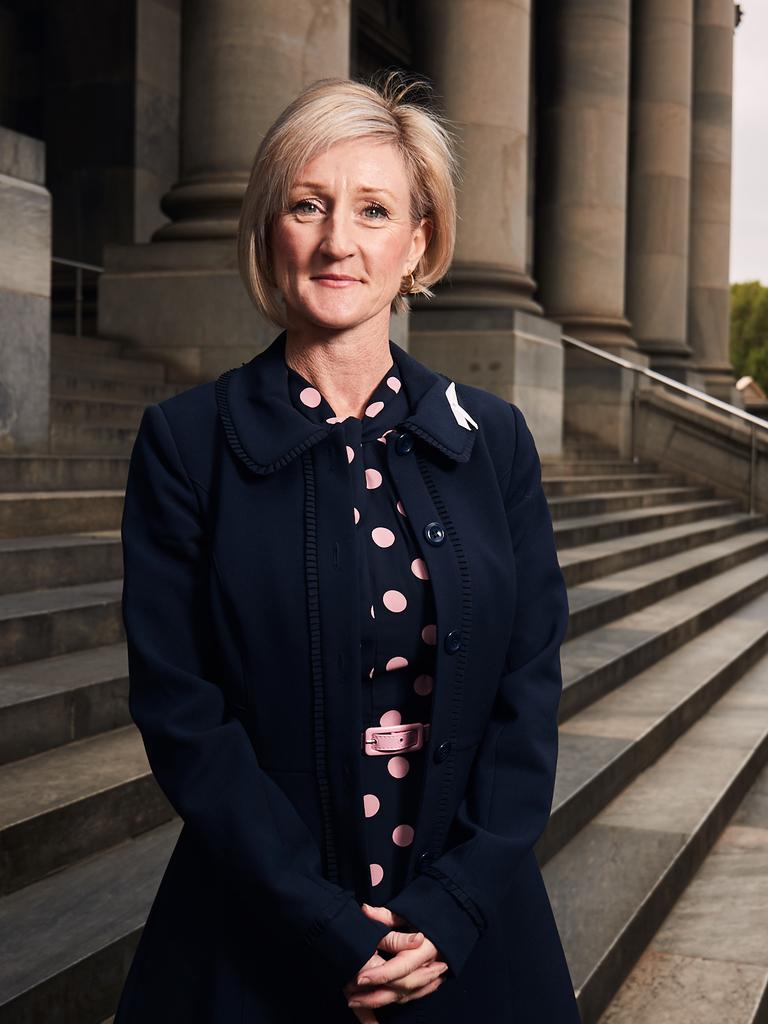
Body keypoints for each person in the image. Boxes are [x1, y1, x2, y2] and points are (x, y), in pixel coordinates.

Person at [114, 71, 581, 1023]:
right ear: (267, 230)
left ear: (418, 244)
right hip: (254, 933)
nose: (338, 241)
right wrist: (329, 927)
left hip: (471, 938)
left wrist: (451, 910)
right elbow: (183, 713)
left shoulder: (494, 441)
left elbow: (526, 693)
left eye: (374, 210)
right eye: (308, 205)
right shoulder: (185, 443)